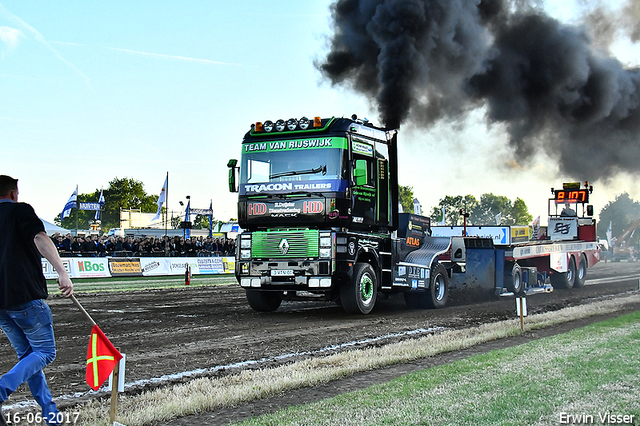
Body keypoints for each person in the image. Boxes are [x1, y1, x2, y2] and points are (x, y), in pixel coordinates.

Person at [0, 175, 74, 425]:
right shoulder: (20, 210)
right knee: (45, 352)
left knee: (29, 359)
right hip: (25, 296)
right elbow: (41, 238)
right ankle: (2, 388)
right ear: (13, 194)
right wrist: (62, 272)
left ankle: (51, 415)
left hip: (2, 304)